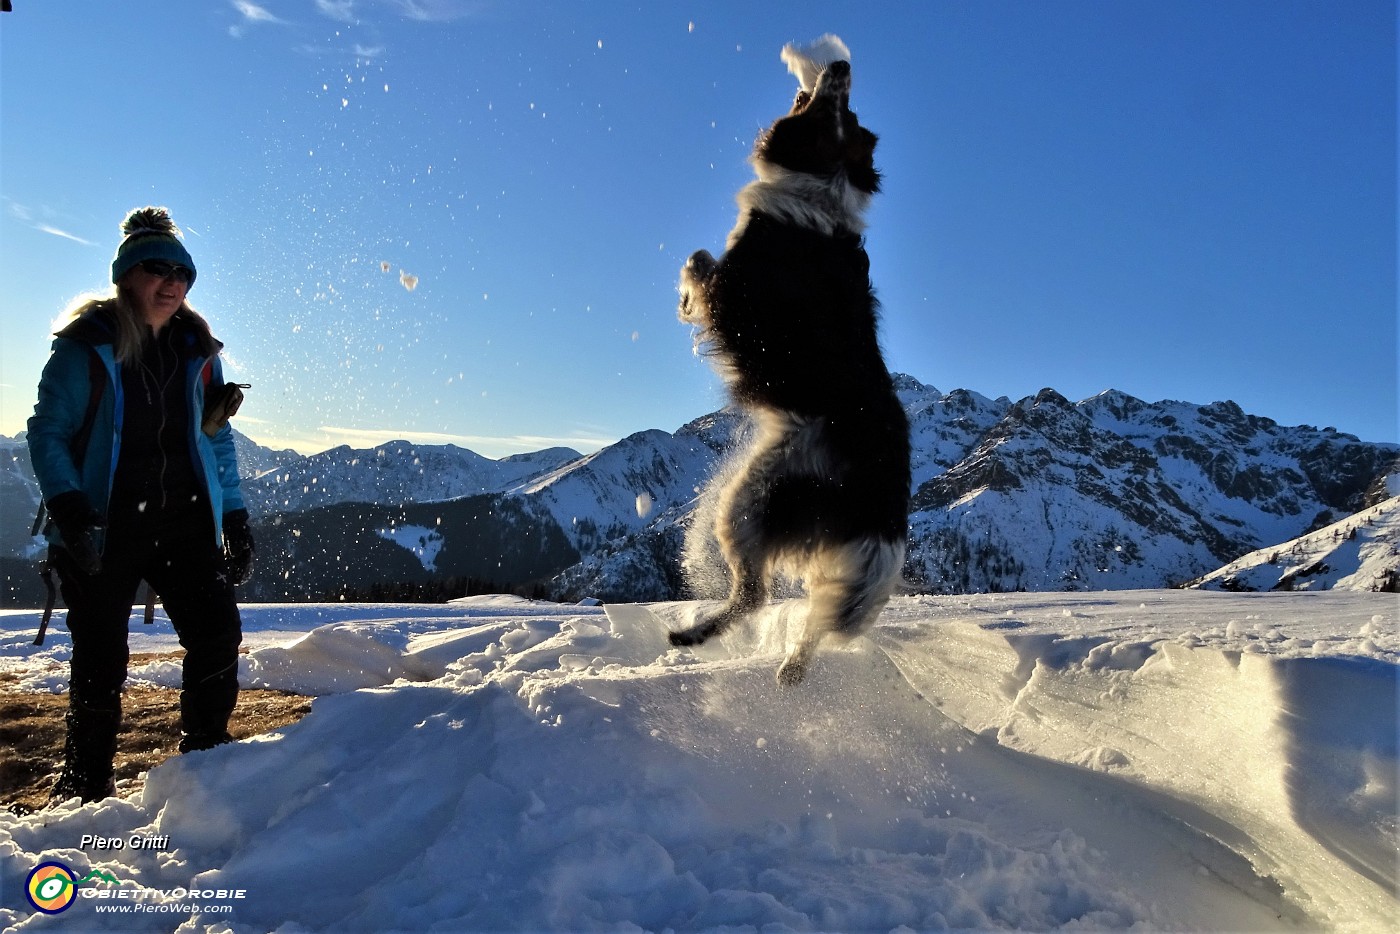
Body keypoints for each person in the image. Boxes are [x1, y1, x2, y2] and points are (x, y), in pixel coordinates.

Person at [27, 206, 254, 804]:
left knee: (217, 636)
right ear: (127, 275)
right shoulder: (86, 348)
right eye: (159, 268)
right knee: (101, 658)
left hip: (183, 520)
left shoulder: (196, 350)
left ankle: (205, 765)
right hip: (103, 526)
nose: (173, 281)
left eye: (184, 272)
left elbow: (216, 436)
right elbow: (48, 431)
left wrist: (233, 514)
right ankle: (84, 784)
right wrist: (69, 505)